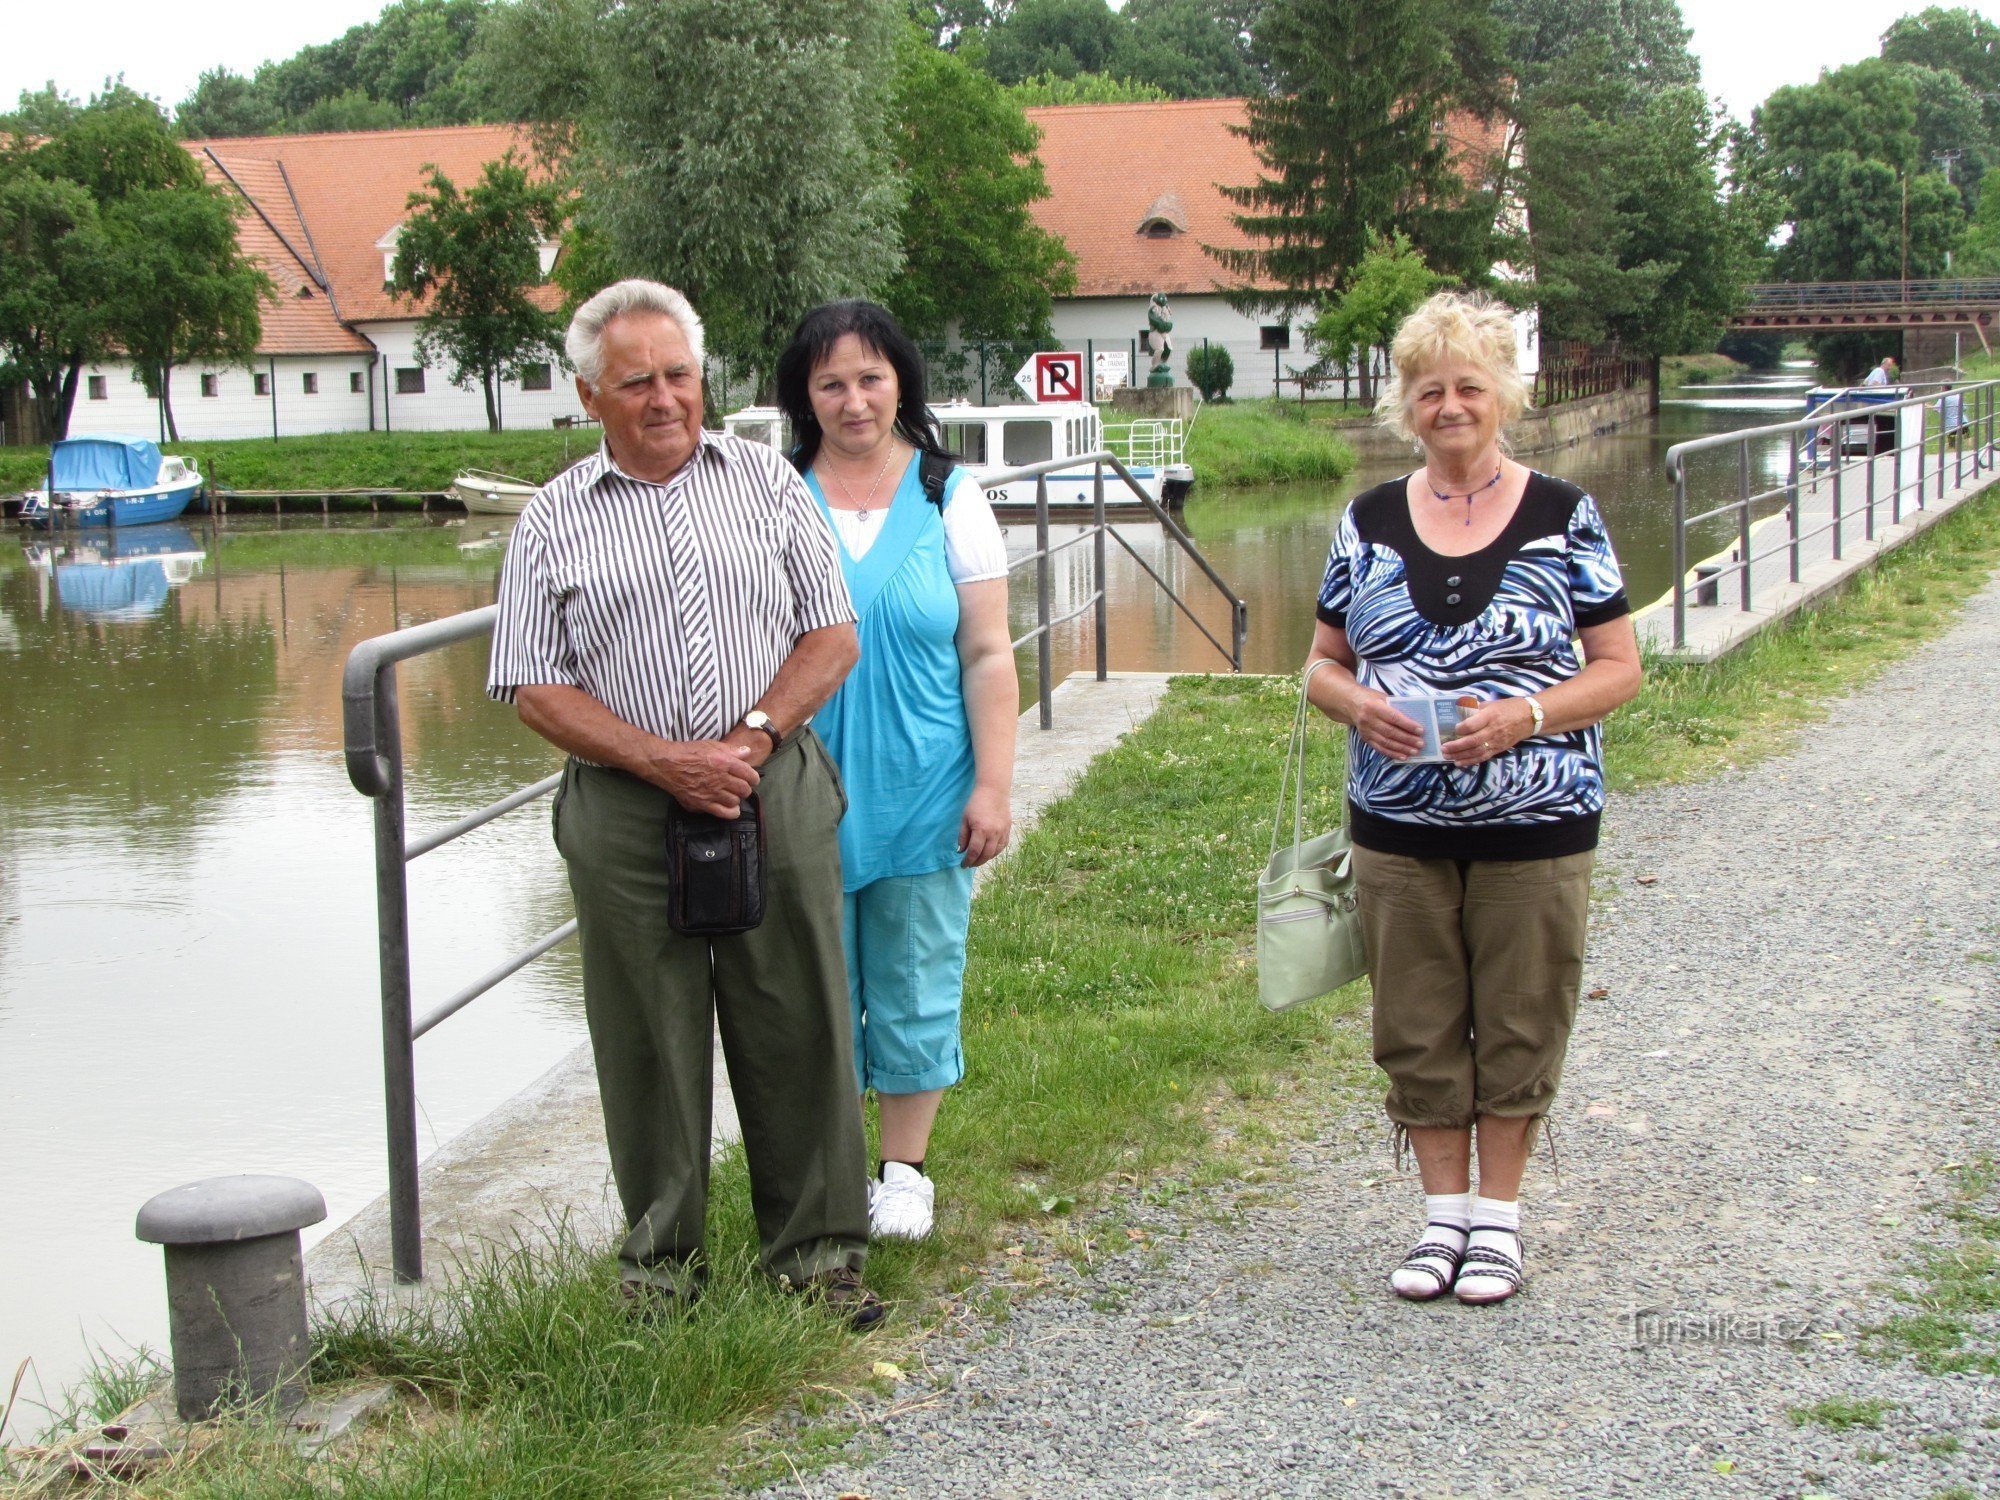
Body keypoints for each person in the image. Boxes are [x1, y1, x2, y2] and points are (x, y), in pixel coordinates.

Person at [486, 279, 884, 1328]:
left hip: (772, 783)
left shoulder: (765, 483)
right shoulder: (550, 519)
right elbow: (532, 683)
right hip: (625, 810)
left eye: (679, 375)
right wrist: (668, 763)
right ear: (587, 396)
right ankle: (662, 1270)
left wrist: (747, 740)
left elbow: (831, 633)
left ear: (701, 378)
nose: (663, 398)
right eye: (635, 382)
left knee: (797, 1015)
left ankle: (817, 1257)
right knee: (646, 1037)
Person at [1304, 291, 1643, 1306]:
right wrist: (1358, 707)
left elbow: (1618, 667)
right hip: (1396, 826)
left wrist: (1528, 715)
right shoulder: (1364, 521)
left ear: (1504, 396)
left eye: (1468, 387)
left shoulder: (1562, 513)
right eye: (1428, 391)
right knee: (1413, 1020)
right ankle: (1438, 1218)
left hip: (1535, 823)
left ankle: (1496, 1222)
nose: (1449, 406)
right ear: (1403, 406)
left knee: (1519, 1013)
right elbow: (1318, 665)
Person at [773, 301, 1017, 1241]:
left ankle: (904, 1171)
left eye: (871, 378)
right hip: (803, 791)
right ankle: (828, 1169)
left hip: (926, 785)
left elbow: (988, 655)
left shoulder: (950, 494)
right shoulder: (776, 495)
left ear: (901, 382)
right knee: (809, 987)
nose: (854, 399)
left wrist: (991, 786)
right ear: (805, 393)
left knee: (916, 976)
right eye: (831, 381)